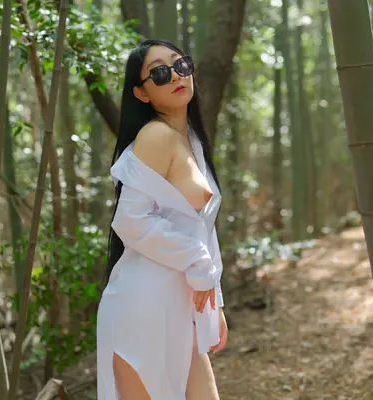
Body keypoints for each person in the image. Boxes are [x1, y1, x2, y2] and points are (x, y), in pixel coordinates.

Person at [96, 38, 228, 400]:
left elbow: (200, 229)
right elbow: (130, 221)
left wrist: (214, 299)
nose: (175, 75)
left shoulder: (191, 140)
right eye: (159, 73)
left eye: (180, 65)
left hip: (180, 302)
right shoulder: (155, 136)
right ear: (141, 93)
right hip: (143, 304)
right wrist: (199, 265)